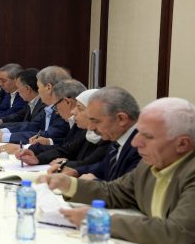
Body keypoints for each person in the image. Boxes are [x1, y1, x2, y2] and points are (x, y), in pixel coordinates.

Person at [39, 97, 195, 243]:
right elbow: (115, 192)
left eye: (147, 136)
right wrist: (68, 184)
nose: (135, 142)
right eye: (138, 132)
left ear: (182, 144)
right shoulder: (151, 164)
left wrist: (100, 220)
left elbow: (178, 232)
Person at [49, 86, 142, 181]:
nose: (90, 127)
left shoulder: (141, 147)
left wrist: (92, 182)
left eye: (96, 121)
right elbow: (104, 166)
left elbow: (127, 190)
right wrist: (77, 171)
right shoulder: (117, 138)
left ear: (121, 119)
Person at [15, 89, 110, 167]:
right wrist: (38, 159)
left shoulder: (108, 137)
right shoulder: (86, 131)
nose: (73, 112)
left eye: (80, 108)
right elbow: (67, 150)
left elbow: (91, 165)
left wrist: (66, 163)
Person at [0, 66, 70, 144]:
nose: (38, 92)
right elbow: (33, 125)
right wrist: (2, 131)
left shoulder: (64, 109)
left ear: (48, 87)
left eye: (39, 87)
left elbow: (48, 136)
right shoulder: (49, 107)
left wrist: (4, 136)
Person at [0, 79, 86, 155]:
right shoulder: (71, 120)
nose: (38, 93)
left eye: (38, 87)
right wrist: (49, 141)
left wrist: (25, 148)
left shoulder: (82, 124)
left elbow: (68, 150)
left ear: (67, 102)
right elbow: (67, 145)